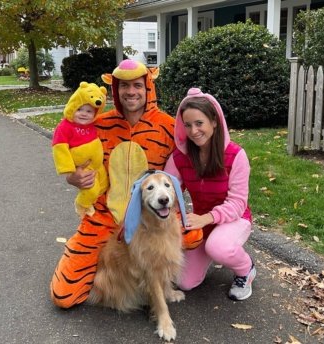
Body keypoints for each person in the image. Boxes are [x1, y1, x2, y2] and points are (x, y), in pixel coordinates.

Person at [50, 59, 186, 308]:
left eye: (137, 85)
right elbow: (74, 158)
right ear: (116, 90)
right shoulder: (98, 126)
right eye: (124, 86)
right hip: (103, 219)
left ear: (148, 88)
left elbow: (182, 173)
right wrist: (73, 178)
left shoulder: (168, 127)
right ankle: (116, 275)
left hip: (151, 220)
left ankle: (156, 273)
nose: (131, 92)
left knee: (199, 232)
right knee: (63, 296)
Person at [164, 87, 255, 301]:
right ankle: (211, 250)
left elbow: (238, 204)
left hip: (235, 219)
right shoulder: (180, 156)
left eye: (199, 123)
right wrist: (173, 216)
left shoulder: (236, 155)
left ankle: (245, 269)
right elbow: (169, 190)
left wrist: (206, 218)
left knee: (219, 247)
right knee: (185, 282)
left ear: (214, 121)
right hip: (201, 224)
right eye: (187, 125)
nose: (194, 131)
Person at [51, 81, 109, 218]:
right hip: (85, 168)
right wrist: (68, 169)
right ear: (72, 107)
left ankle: (97, 206)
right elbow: (59, 147)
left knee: (104, 185)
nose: (84, 114)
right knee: (91, 190)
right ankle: (82, 205)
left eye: (89, 111)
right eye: (79, 109)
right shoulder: (66, 126)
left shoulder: (92, 125)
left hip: (98, 166)